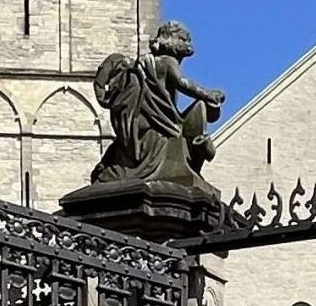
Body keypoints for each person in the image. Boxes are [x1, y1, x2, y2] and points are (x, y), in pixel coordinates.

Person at [92, 21, 226, 188]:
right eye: (184, 39)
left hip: (144, 123)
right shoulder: (168, 61)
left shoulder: (145, 62)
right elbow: (182, 83)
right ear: (173, 41)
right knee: (187, 131)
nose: (187, 44)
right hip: (158, 126)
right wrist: (208, 94)